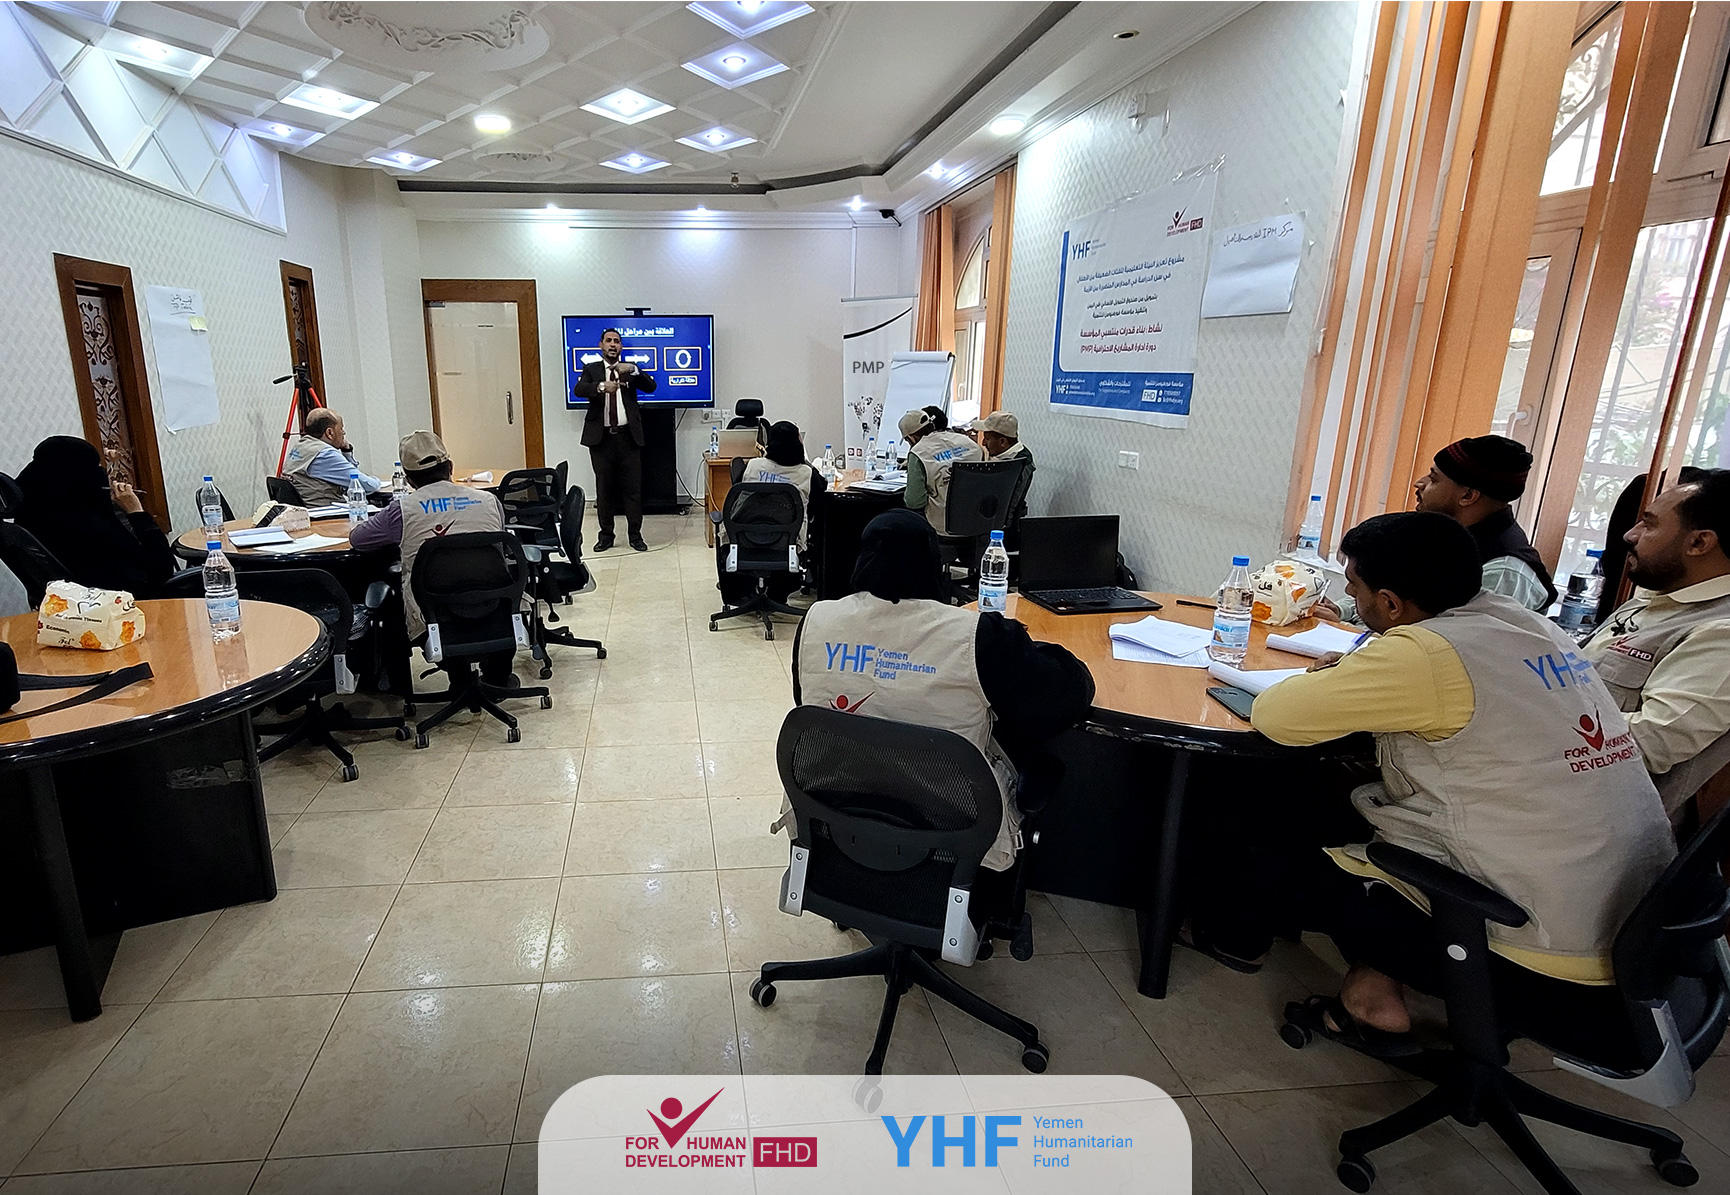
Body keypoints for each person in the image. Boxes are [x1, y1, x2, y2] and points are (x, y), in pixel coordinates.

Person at [1247, 511, 1673, 1047]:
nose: (1352, 598)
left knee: (1289, 837)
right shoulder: (1525, 622)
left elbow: (1276, 716)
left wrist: (1346, 673)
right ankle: (1373, 991)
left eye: (1355, 587)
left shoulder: (1426, 652)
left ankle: (1351, 991)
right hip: (1640, 926)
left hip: (1552, 955)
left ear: (1391, 603)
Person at [791, 509, 1095, 871]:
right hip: (951, 834)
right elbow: (1069, 693)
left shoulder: (817, 621)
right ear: (935, 567)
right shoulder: (975, 636)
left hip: (835, 820)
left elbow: (809, 705)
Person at [1581, 469, 1730, 817]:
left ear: (1698, 543)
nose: (1630, 535)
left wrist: (1532, 717)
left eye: (1649, 525)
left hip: (1597, 820)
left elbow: (1649, 743)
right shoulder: (1655, 600)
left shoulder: (1719, 632)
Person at [350, 430, 517, 685]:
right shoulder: (489, 501)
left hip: (431, 615)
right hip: (494, 606)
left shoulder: (402, 511)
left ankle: (458, 679)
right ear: (450, 467)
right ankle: (498, 678)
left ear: (408, 479)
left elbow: (358, 539)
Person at [14, 436, 177, 597]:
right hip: (129, 605)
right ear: (78, 476)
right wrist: (136, 511)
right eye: (97, 467)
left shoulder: (30, 515)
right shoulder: (88, 528)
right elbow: (162, 570)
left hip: (73, 607)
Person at [716, 420, 825, 606]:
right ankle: (780, 592)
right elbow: (819, 503)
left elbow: (736, 499)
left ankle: (743, 592)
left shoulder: (753, 466)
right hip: (785, 545)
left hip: (745, 541)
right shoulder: (807, 474)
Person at [574, 328, 657, 552]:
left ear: (621, 347)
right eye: (609, 341)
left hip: (628, 438)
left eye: (617, 341)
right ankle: (606, 536)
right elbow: (579, 389)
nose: (613, 344)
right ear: (601, 345)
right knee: (604, 490)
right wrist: (601, 386)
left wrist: (635, 370)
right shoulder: (591, 369)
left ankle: (635, 536)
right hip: (601, 440)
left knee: (633, 490)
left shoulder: (629, 369)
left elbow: (651, 386)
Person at [899, 408, 983, 535]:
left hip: (943, 526)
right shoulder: (968, 442)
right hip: (978, 521)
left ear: (911, 437)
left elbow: (914, 501)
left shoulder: (918, 453)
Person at [282, 408, 382, 507]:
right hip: (326, 512)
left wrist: (346, 451)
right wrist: (378, 481)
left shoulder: (301, 446)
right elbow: (367, 485)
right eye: (341, 428)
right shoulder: (325, 454)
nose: (343, 433)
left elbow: (352, 481)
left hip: (306, 512)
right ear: (329, 432)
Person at [972, 410, 1034, 522]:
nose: (983, 443)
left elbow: (1007, 510)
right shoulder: (1009, 455)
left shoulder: (1015, 466)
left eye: (987, 438)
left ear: (1002, 442)